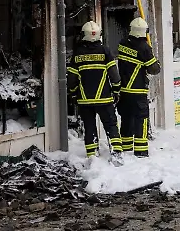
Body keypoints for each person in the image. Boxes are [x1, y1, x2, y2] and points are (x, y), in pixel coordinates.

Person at [67, 20, 123, 160]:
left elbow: (72, 78)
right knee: (111, 125)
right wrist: (116, 91)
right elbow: (114, 75)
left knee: (89, 126)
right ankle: (116, 152)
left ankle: (92, 155)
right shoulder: (105, 51)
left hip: (85, 101)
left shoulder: (78, 54)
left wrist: (73, 93)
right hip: (104, 99)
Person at [116, 17, 162, 157]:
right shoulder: (144, 48)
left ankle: (126, 146)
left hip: (123, 90)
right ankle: (141, 150)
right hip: (137, 91)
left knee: (126, 118)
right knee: (141, 119)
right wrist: (156, 61)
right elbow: (154, 69)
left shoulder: (122, 43)